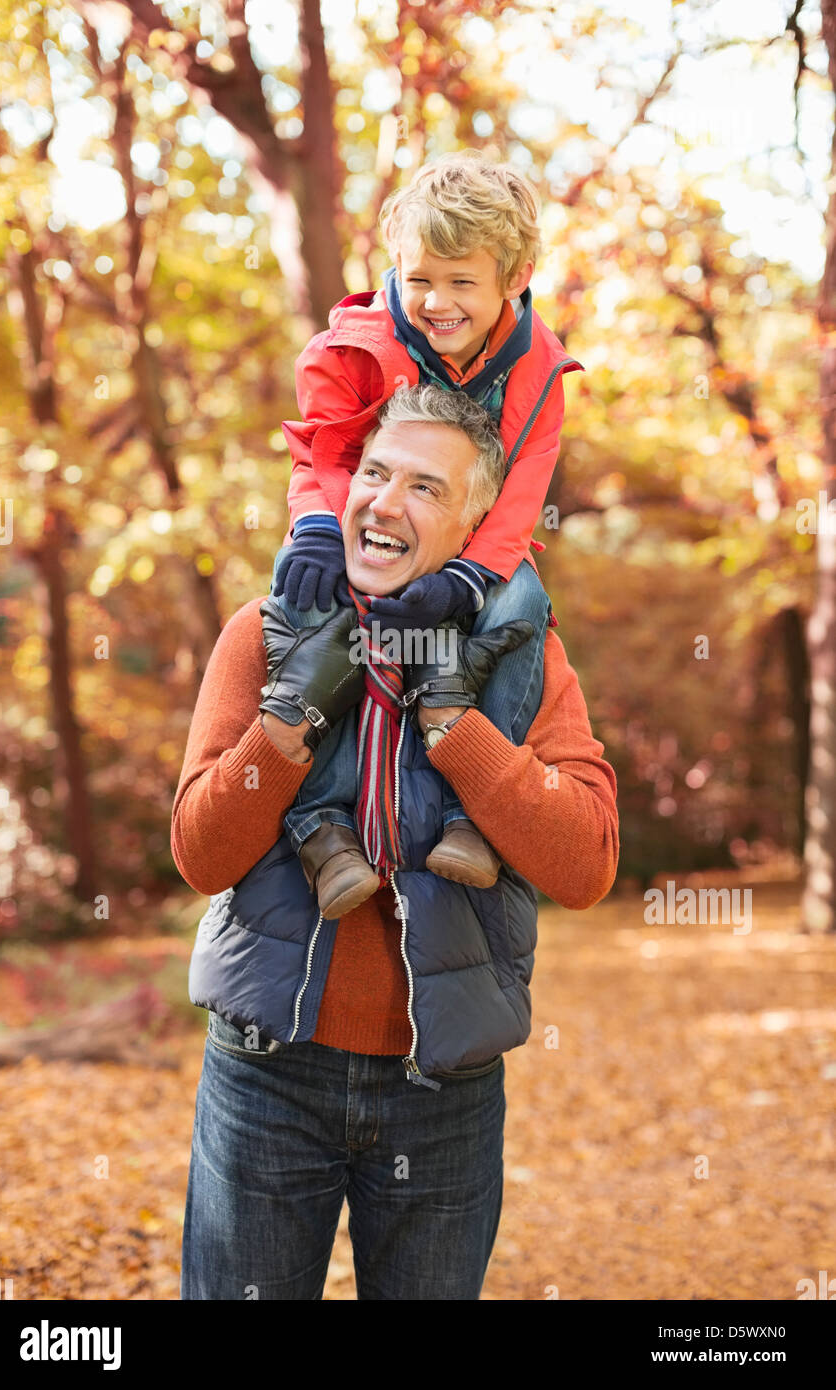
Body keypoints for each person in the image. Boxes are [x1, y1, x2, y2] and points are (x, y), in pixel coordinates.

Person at [173, 385, 619, 1300]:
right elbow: (200, 855)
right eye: (374, 473)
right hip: (267, 1075)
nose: (384, 501)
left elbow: (587, 863)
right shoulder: (262, 635)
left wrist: (457, 727)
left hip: (443, 1086)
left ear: (474, 526)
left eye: (424, 487)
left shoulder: (523, 655)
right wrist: (287, 721)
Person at [270, 150, 585, 915]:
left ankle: (474, 816)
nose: (436, 303)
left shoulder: (537, 366)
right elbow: (326, 448)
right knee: (304, 603)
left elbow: (524, 487)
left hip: (472, 543)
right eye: (419, 280)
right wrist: (316, 526)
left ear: (515, 279)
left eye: (461, 283)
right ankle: (319, 824)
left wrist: (468, 578)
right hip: (365, 528)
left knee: (522, 608)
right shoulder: (356, 344)